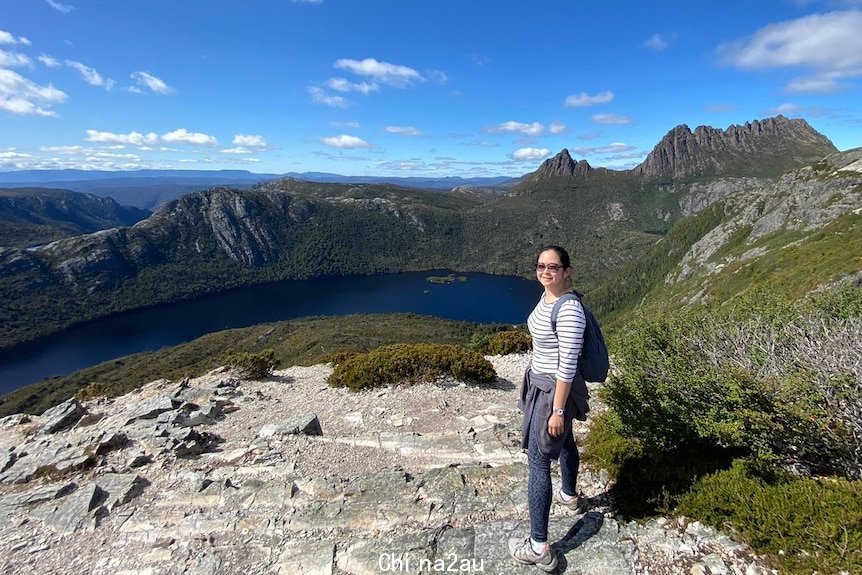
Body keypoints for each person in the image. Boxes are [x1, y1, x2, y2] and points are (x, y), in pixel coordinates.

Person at [508, 245, 588, 572]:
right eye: (541, 266)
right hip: (541, 384)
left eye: (553, 267)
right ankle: (570, 497)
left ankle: (539, 547)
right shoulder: (548, 298)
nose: (545, 272)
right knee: (566, 442)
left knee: (538, 461)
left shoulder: (569, 310)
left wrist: (556, 410)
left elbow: (567, 365)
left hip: (553, 392)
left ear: (567, 270)